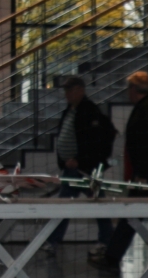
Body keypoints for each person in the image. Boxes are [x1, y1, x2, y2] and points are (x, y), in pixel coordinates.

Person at [89, 71, 148, 273]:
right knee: (142, 219)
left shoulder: (147, 109)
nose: (127, 92)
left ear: (134, 88)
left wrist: (144, 174)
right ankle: (114, 257)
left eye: (129, 88)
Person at [46, 76, 116, 255]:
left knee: (76, 204)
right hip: (72, 168)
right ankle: (106, 239)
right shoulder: (70, 111)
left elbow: (95, 141)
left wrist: (80, 160)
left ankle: (54, 241)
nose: (67, 94)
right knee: (93, 203)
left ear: (80, 90)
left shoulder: (89, 111)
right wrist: (64, 161)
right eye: (66, 90)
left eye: (70, 90)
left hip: (85, 170)